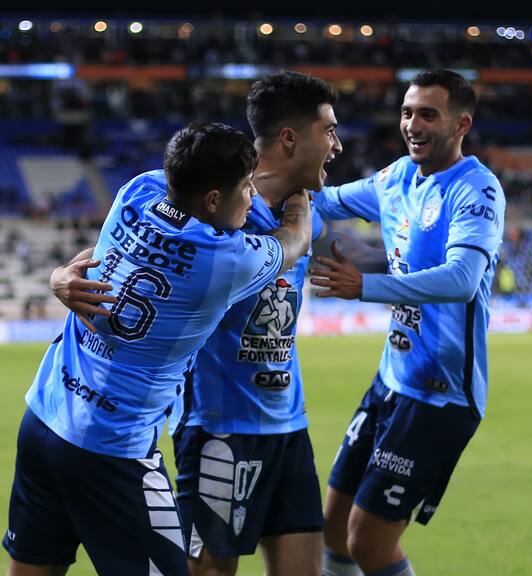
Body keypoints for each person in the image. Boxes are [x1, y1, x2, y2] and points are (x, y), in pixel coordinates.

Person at [50, 72, 373, 576]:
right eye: (329, 130)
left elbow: (376, 232)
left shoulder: (309, 207)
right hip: (219, 428)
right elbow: (131, 261)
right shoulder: (215, 216)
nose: (337, 144)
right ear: (290, 138)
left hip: (289, 423)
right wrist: (59, 278)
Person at [4, 121, 311, 576]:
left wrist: (57, 277)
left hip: (44, 417)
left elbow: (113, 252)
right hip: (112, 449)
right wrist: (299, 207)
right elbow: (292, 245)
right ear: (212, 199)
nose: (250, 198)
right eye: (244, 188)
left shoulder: (137, 191)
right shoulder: (224, 261)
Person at [310, 69, 506, 576]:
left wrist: (365, 286)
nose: (412, 124)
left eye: (427, 114)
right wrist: (270, 188)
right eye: (406, 112)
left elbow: (463, 279)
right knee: (331, 529)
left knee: (369, 544)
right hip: (392, 380)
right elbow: (324, 202)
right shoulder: (397, 178)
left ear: (461, 123)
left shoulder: (477, 191)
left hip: (441, 395)